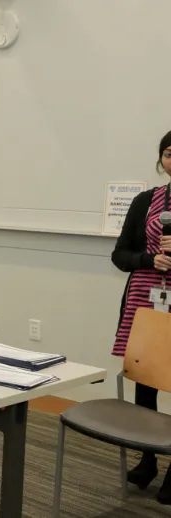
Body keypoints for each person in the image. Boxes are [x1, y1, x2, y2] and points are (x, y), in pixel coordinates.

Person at [110, 129, 171, 503]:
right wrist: (150, 259)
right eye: (168, 152)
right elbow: (120, 255)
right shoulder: (146, 200)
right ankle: (147, 458)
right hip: (146, 300)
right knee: (145, 382)